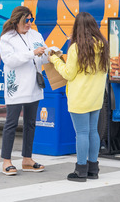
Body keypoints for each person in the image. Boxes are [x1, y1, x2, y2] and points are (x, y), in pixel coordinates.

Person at [48, 12, 109, 182]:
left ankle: (80, 170)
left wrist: (55, 60)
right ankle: (93, 169)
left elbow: (69, 74)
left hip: (80, 97)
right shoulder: (103, 46)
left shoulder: (76, 48)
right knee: (93, 131)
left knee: (81, 133)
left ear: (77, 28)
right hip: (96, 97)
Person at [0, 6, 48, 176]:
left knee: (30, 123)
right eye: (26, 20)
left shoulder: (36, 35)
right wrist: (32, 53)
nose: (29, 23)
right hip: (17, 86)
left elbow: (43, 56)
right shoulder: (7, 38)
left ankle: (27, 159)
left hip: (34, 84)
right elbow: (10, 60)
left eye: (31, 20)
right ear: (17, 20)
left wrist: (50, 54)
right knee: (11, 123)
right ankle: (6, 161)